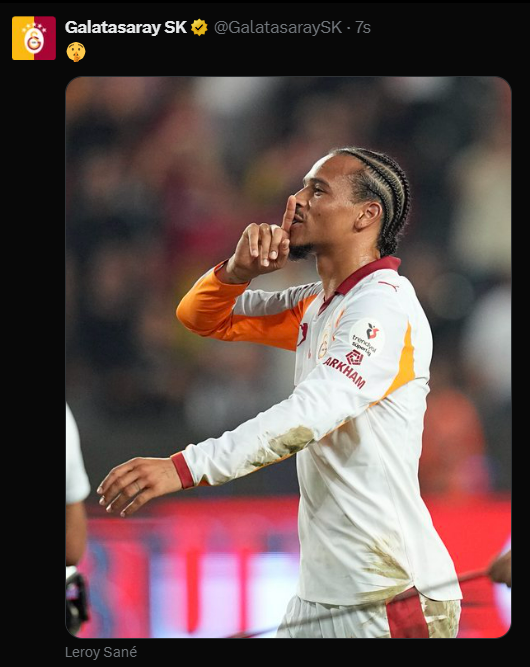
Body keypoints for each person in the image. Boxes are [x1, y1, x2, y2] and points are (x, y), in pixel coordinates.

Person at [98, 147, 463, 638]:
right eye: (301, 187)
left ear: (366, 215)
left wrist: (185, 467)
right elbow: (200, 318)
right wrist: (236, 272)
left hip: (389, 594)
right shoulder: (318, 305)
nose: (297, 200)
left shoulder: (383, 307)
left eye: (318, 190)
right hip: (324, 595)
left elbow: (308, 415)